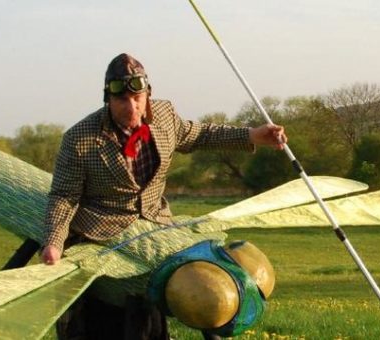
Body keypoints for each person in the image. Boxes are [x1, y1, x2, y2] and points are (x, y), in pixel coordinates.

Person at [40, 53, 287, 339]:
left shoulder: (165, 116)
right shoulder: (80, 138)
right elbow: (64, 195)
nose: (131, 106)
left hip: (157, 225)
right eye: (122, 100)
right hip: (102, 231)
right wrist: (53, 243)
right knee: (107, 318)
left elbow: (200, 135)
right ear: (108, 98)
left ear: (147, 94)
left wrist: (252, 135)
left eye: (138, 97)